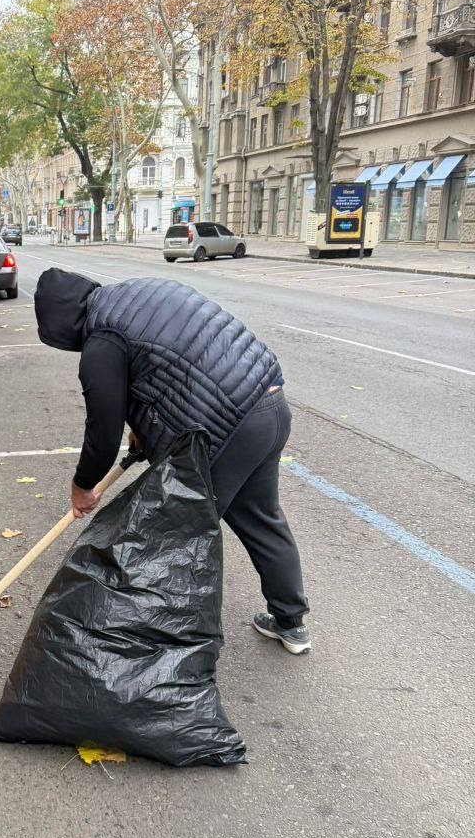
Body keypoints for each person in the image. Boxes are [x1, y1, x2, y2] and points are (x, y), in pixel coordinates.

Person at [34, 268, 311, 655]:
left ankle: (167, 649)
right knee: (261, 516)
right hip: (269, 404)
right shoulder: (139, 290)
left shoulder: (102, 341)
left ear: (62, 325)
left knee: (177, 536)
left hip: (229, 430)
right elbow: (172, 366)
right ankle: (290, 622)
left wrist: (82, 486)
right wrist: (144, 430)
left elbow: (102, 429)